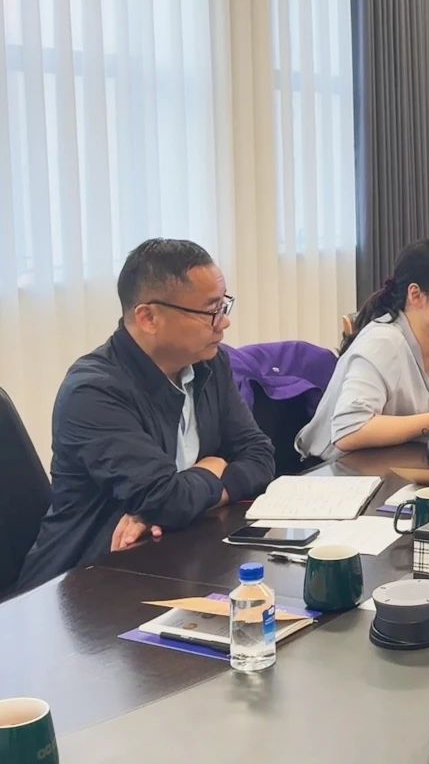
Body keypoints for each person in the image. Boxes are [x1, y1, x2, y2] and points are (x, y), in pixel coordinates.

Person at [18, 239, 275, 590]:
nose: (224, 322)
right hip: (81, 584)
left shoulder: (211, 364)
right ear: (148, 317)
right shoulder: (93, 392)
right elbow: (166, 499)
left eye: (224, 305)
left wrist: (184, 498)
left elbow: (260, 455)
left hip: (168, 557)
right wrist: (210, 468)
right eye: (210, 311)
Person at [296, 239, 429, 461]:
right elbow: (348, 430)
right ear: (416, 295)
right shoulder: (384, 343)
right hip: (336, 468)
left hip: (394, 459)